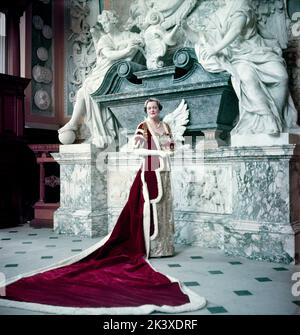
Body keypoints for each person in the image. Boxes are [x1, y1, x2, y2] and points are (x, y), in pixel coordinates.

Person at [0, 99, 206, 314]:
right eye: (149, 108)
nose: (152, 110)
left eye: (155, 108)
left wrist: (169, 151)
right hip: (148, 173)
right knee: (147, 210)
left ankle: (164, 247)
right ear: (146, 111)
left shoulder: (165, 126)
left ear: (159, 110)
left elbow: (170, 146)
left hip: (163, 172)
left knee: (163, 208)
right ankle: (150, 247)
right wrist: (158, 154)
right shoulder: (142, 127)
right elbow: (137, 152)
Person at [192, 0, 299, 135]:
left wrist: (215, 49)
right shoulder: (217, 15)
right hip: (237, 57)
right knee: (247, 77)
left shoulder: (240, 3)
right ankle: (266, 118)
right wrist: (187, 29)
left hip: (257, 50)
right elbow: (204, 37)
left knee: (281, 77)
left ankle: (279, 119)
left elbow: (237, 28)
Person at [58, 10, 143, 148]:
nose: (105, 26)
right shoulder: (104, 39)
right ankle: (94, 131)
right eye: (103, 23)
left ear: (113, 21)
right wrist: (127, 50)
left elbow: (140, 40)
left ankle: (78, 125)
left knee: (87, 90)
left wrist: (133, 42)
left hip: (117, 74)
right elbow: (109, 54)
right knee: (85, 90)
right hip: (103, 72)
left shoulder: (127, 35)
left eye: (106, 22)